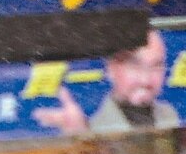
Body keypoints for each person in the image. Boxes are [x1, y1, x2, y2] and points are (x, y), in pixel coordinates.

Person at [32, 29, 180, 135]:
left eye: (156, 66)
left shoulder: (170, 115)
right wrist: (80, 137)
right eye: (134, 65)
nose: (145, 79)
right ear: (111, 68)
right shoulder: (95, 126)